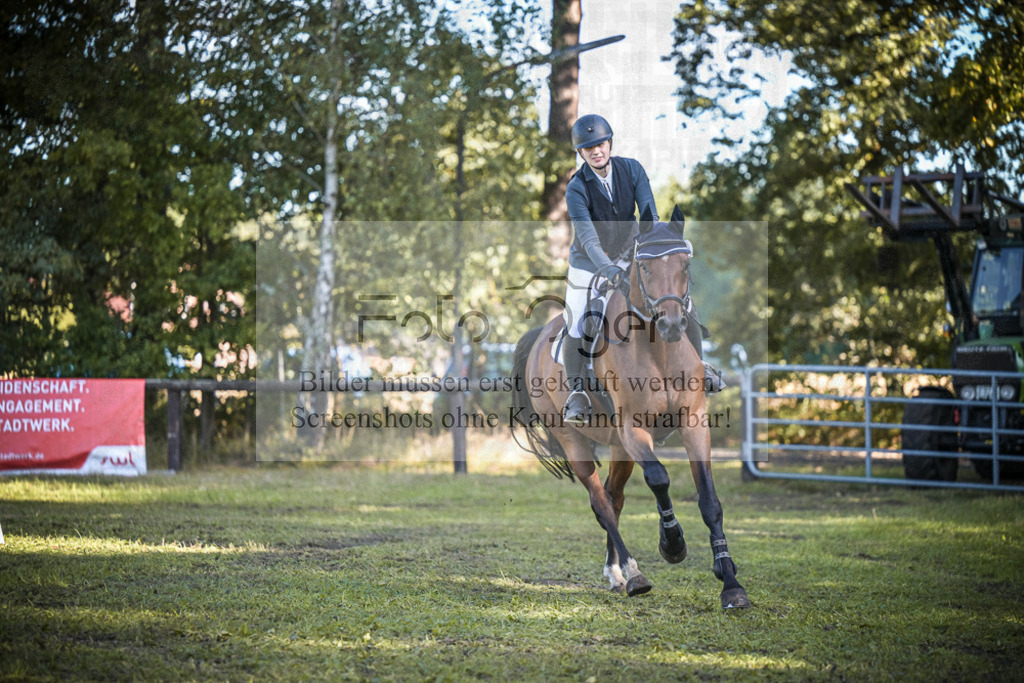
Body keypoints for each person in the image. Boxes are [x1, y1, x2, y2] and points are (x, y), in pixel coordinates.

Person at [560, 114, 723, 426]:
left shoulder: (632, 169)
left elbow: (649, 215)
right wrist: (610, 270)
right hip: (588, 262)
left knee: (676, 297)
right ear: (580, 153)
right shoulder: (576, 188)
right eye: (588, 148)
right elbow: (589, 239)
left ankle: (700, 365)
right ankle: (577, 392)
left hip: (633, 251)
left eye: (600, 143)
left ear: (610, 143)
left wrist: (653, 251)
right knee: (578, 317)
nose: (596, 151)